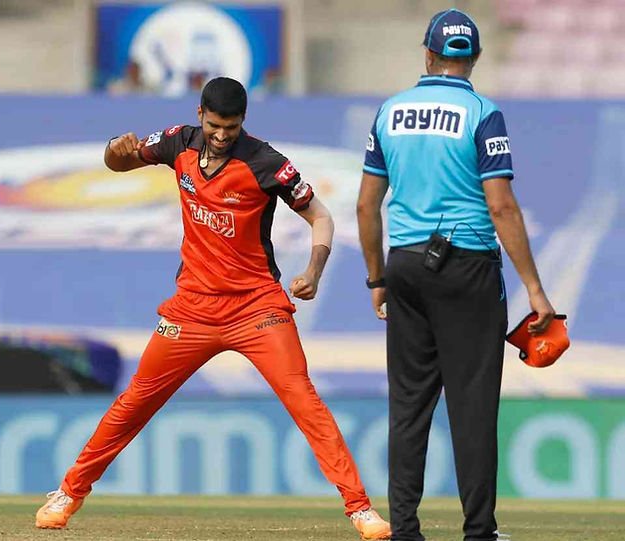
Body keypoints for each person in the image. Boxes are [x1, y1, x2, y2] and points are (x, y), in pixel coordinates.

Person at [36, 77, 392, 540]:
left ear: (244, 121)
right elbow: (117, 163)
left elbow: (320, 215)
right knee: (135, 403)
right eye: (216, 125)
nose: (223, 135)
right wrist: (114, 148)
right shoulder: (176, 142)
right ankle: (68, 493)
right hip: (192, 310)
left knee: (304, 401)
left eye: (233, 126)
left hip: (256, 307)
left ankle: (360, 509)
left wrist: (314, 269)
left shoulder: (268, 163)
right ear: (200, 113)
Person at [356, 9, 555, 541]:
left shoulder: (391, 110)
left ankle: (405, 530)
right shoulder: (482, 112)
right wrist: (535, 289)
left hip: (404, 266)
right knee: (471, 405)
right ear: (475, 59)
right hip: (466, 266)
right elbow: (502, 206)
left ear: (427, 53)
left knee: (408, 405)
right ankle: (479, 532)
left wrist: (377, 278)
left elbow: (366, 205)